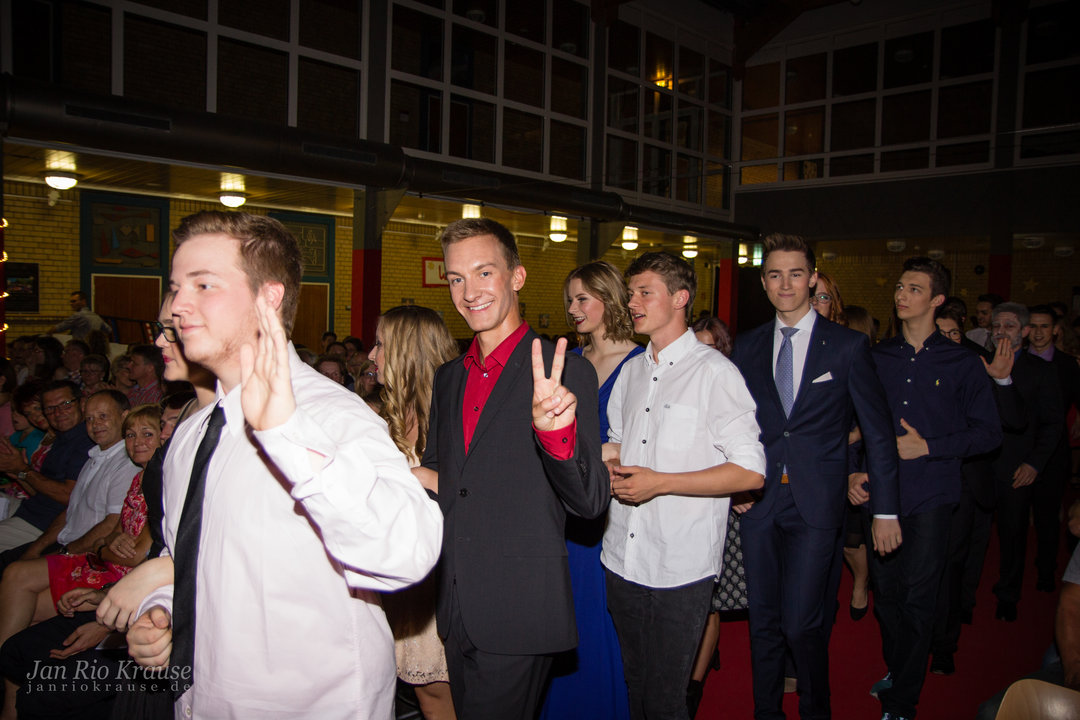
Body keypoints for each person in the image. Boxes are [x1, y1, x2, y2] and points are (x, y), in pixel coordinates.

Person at [123, 211, 442, 717]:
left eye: (204, 284)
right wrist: (158, 610)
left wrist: (287, 434)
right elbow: (189, 553)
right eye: (176, 287)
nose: (178, 305)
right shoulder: (192, 433)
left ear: (268, 299)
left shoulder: (332, 415)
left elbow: (407, 552)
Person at [419, 217, 609, 720]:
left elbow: (590, 502)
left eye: (484, 273)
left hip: (519, 605)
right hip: (455, 603)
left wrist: (555, 434)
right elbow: (447, 478)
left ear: (517, 277)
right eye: (456, 278)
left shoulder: (561, 370)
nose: (469, 292)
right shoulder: (448, 378)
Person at [732, 234, 900, 720]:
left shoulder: (847, 346)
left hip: (818, 502)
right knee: (763, 622)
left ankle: (815, 710)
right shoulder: (747, 345)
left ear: (813, 279)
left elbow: (878, 432)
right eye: (775, 274)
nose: (785, 284)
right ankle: (767, 713)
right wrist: (734, 484)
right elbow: (731, 423)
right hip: (758, 500)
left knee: (802, 624)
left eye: (796, 274)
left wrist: (886, 511)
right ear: (764, 283)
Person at [600, 252, 764, 720]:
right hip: (621, 556)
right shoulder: (632, 371)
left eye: (644, 292)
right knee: (635, 685)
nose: (632, 302)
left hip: (680, 566)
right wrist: (597, 462)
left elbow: (751, 472)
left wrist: (661, 483)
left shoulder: (714, 372)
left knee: (666, 699)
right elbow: (618, 444)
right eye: (630, 293)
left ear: (680, 298)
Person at [868, 257, 1002, 720]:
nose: (901, 295)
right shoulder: (878, 356)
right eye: (900, 286)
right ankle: (898, 668)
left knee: (918, 596)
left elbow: (989, 434)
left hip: (933, 495)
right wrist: (854, 471)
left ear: (937, 300)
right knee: (886, 594)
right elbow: (859, 422)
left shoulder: (963, 361)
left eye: (914, 289)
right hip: (882, 495)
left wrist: (929, 446)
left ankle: (903, 699)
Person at [0, 404, 161, 720]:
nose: (137, 442)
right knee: (17, 586)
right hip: (104, 564)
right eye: (131, 435)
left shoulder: (161, 483)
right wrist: (103, 546)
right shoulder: (139, 477)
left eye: (147, 434)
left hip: (120, 579)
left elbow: (135, 554)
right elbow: (111, 534)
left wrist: (101, 549)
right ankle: (12, 695)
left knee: (22, 615)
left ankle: (14, 698)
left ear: (165, 439)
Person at [541, 261, 640, 720]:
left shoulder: (640, 363)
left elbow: (643, 444)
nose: (573, 308)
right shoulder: (570, 363)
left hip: (612, 506)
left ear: (610, 298)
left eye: (583, 298)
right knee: (562, 612)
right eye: (570, 300)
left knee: (597, 613)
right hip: (561, 503)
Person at [368, 305, 459, 720]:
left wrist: (423, 477)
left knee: (438, 695)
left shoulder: (449, 416)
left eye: (381, 345)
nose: (372, 355)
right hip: (401, 576)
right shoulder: (389, 414)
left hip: (438, 577)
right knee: (422, 694)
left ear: (408, 351)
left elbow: (482, 494)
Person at [986, 302, 1062, 621]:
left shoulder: (1041, 371)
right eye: (996, 326)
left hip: (1017, 467)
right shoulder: (978, 363)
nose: (1001, 331)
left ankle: (1008, 594)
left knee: (1013, 534)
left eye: (1010, 326)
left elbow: (1053, 424)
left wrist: (1034, 463)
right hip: (978, 465)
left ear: (1025, 331)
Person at [0, 381, 96, 556]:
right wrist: (17, 472)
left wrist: (23, 469)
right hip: (30, 510)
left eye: (65, 404)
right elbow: (41, 492)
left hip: (45, 525)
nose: (58, 413)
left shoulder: (86, 440)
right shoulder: (61, 438)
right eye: (50, 409)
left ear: (82, 403)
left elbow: (69, 496)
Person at [1028, 305, 1080, 592]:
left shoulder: (1067, 365)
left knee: (1048, 516)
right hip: (1021, 451)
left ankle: (1046, 570)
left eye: (1045, 326)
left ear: (1056, 330)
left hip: (1054, 453)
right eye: (1033, 326)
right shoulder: (1015, 361)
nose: (1038, 332)